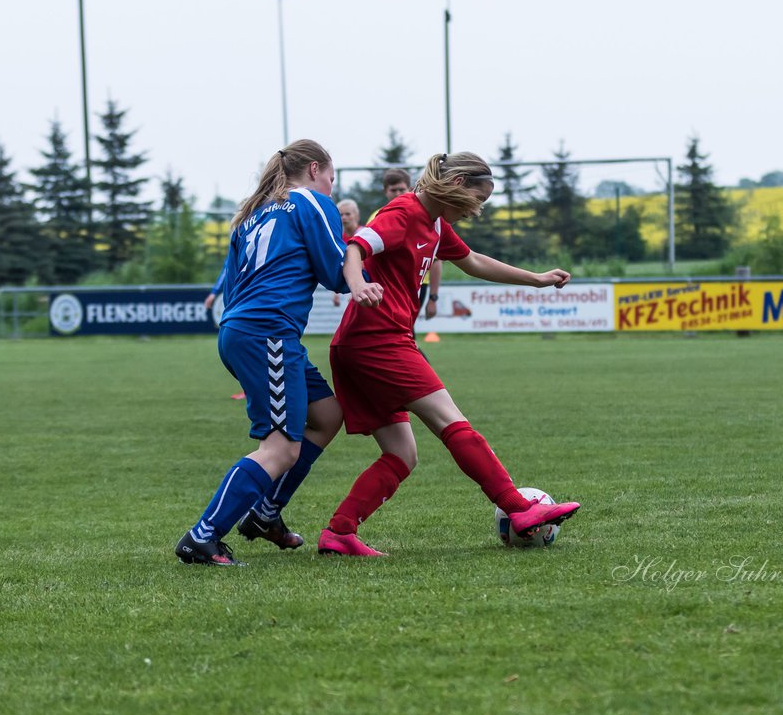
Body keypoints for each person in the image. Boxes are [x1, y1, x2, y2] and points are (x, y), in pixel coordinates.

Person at [318, 152, 580, 557]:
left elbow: (472, 260)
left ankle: (340, 532)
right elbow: (355, 248)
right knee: (449, 418)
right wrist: (357, 285)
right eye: (477, 201)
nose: (476, 211)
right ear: (456, 185)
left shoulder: (436, 222)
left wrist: (537, 280)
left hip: (361, 343)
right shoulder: (403, 212)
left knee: (403, 454)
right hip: (377, 339)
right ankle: (518, 508)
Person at [176, 139, 377, 566]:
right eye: (331, 178)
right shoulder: (311, 202)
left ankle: (266, 514)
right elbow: (336, 272)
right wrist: (369, 257)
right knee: (281, 448)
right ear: (315, 169)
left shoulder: (253, 211)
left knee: (326, 416)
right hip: (268, 333)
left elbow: (231, 286)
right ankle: (203, 536)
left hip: (246, 330)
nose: (330, 187)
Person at [382, 169, 441, 321]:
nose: (397, 194)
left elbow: (437, 261)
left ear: (409, 189)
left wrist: (433, 298)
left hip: (418, 285)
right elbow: (360, 251)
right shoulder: (377, 217)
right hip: (386, 286)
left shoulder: (428, 219)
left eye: (401, 190)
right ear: (385, 191)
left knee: (404, 329)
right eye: (393, 190)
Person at [332, 199, 362, 307]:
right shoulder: (338, 238)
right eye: (341, 214)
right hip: (347, 287)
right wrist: (336, 293)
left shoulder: (364, 234)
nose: (344, 217)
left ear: (356, 216)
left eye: (348, 214)